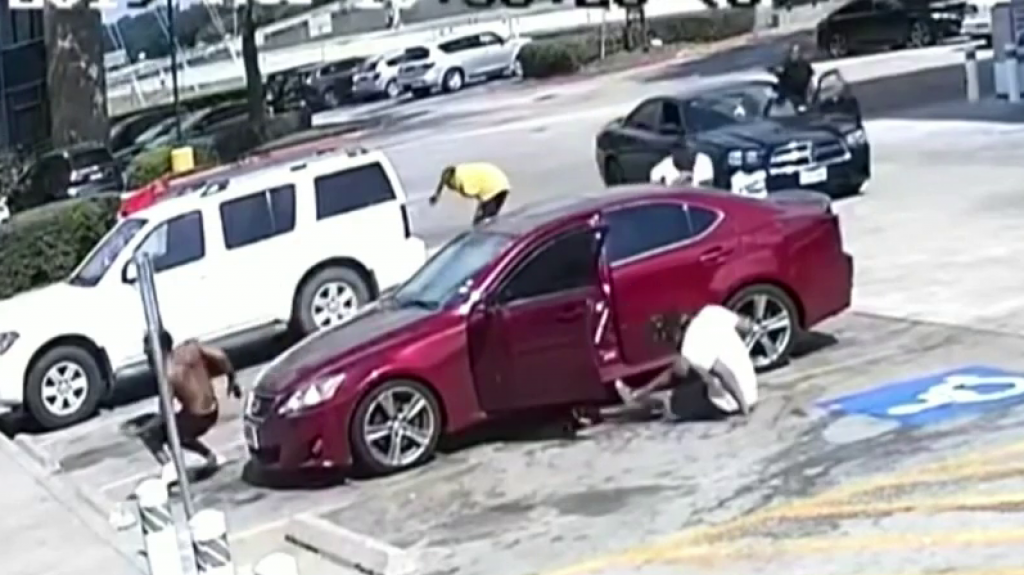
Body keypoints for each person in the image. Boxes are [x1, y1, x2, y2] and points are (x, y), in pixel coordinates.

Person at [613, 305, 759, 422]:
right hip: (752, 388)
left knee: (671, 404)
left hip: (731, 403)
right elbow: (745, 325)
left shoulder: (690, 345)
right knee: (682, 369)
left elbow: (725, 373)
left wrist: (744, 411)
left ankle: (642, 399)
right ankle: (638, 393)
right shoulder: (711, 311)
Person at [137, 329, 242, 485]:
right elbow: (219, 355)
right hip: (213, 410)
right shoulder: (190, 349)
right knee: (178, 428)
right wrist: (232, 379)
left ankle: (170, 467)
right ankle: (212, 457)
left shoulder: (167, 373)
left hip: (197, 418)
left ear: (158, 349)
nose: (145, 352)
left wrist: (148, 427)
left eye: (148, 348)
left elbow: (166, 410)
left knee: (151, 434)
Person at [429, 162, 511, 226]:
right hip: (497, 183)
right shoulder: (456, 174)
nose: (449, 187)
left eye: (449, 185)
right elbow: (442, 183)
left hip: (495, 187)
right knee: (483, 219)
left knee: (484, 221)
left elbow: (471, 193)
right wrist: (437, 195)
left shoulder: (464, 182)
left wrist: (480, 209)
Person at [775, 43, 814, 111]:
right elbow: (779, 78)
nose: (795, 55)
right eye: (793, 53)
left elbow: (810, 75)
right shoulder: (785, 64)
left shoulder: (804, 63)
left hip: (803, 94)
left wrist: (810, 89)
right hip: (790, 97)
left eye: (797, 53)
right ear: (790, 54)